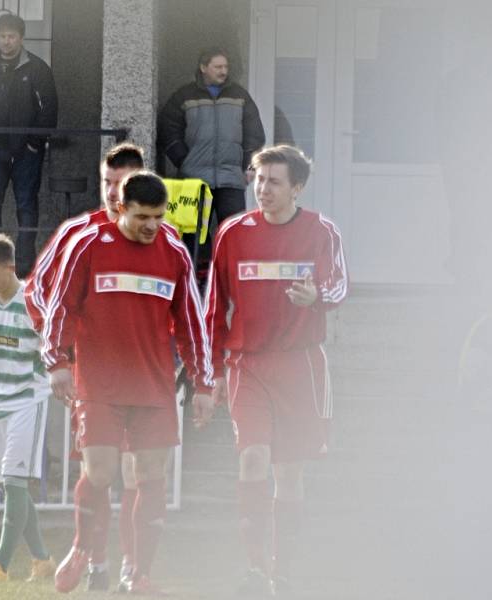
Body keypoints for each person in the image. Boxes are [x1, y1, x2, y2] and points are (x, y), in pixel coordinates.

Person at [42, 171, 215, 594]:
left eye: (158, 216)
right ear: (120, 208)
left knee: (151, 476)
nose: (151, 225)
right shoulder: (87, 245)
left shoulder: (173, 249)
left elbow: (191, 321)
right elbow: (60, 305)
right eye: (142, 216)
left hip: (154, 383)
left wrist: (203, 384)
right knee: (99, 471)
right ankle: (84, 548)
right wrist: (57, 362)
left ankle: (138, 571)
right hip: (98, 382)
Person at [204, 145, 348, 596]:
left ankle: (282, 572)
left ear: (297, 188)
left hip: (300, 365)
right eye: (258, 178)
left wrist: (318, 297)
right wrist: (210, 374)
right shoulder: (233, 232)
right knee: (252, 459)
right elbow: (213, 307)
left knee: (288, 473)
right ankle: (254, 567)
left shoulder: (320, 230)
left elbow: (340, 283)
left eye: (274, 182)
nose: (262, 189)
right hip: (248, 363)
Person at [25, 142, 150, 590]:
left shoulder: (159, 234)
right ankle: (95, 560)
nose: (115, 193)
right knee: (97, 470)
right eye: (108, 183)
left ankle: (134, 568)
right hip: (92, 372)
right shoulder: (78, 232)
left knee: (139, 470)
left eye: (124, 184)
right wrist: (63, 349)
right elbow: (38, 292)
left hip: (144, 374)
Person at [0, 234, 56, 583]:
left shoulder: (34, 301)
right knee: (10, 485)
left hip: (28, 400)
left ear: (9, 267)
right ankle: (43, 560)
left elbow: (55, 347)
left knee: (16, 482)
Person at [158, 46, 265, 276]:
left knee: (234, 233)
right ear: (203, 67)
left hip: (231, 178)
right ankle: (193, 282)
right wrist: (183, 160)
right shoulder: (184, 96)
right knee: (194, 237)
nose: (223, 71)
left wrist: (248, 165)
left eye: (225, 66)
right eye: (218, 66)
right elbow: (168, 129)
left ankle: (231, 280)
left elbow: (254, 134)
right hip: (195, 178)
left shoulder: (240, 96)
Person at [0, 12, 58, 279]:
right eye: (2, 36)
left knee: (26, 206)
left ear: (21, 38)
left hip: (26, 150)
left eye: (12, 36)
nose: (6, 42)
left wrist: (34, 142)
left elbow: (49, 108)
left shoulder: (38, 68)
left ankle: (25, 267)